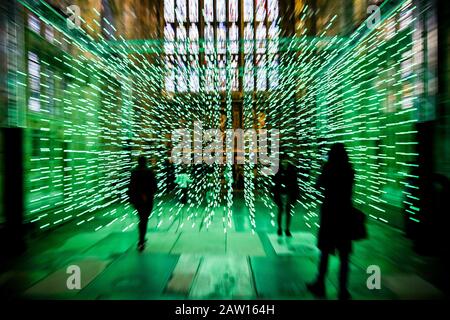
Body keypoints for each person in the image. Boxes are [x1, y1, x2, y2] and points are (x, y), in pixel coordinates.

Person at [307, 143, 355, 300]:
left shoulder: (329, 169)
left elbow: (317, 186)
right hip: (345, 215)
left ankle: (320, 284)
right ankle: (343, 290)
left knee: (325, 252)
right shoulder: (349, 170)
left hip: (330, 214)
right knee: (344, 256)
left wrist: (323, 170)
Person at [127, 155, 157, 252]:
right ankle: (141, 240)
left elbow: (131, 186)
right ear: (146, 162)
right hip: (148, 199)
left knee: (141, 218)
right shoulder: (150, 172)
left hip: (137, 199)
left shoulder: (134, 172)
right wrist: (148, 194)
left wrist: (132, 198)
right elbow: (154, 186)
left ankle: (141, 239)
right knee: (144, 219)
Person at [272, 155, 299, 237]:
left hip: (289, 192)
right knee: (281, 210)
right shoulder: (278, 168)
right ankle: (280, 228)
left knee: (287, 211)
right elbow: (274, 180)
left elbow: (295, 182)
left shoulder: (292, 169)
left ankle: (287, 229)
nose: (285, 161)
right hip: (280, 192)